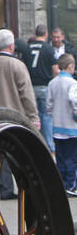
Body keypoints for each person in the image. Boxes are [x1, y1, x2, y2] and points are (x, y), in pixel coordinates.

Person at [0, 29, 40, 200]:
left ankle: (5, 189)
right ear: (12, 45)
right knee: (20, 153)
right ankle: (23, 186)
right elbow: (27, 95)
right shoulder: (17, 65)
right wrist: (34, 117)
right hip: (16, 117)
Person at [46, 53, 77, 196]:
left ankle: (61, 184)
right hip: (71, 127)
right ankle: (71, 185)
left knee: (61, 158)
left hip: (57, 126)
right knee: (72, 158)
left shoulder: (52, 83)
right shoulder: (73, 84)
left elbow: (49, 105)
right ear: (71, 66)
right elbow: (74, 100)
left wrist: (54, 114)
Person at [24, 24, 56, 153]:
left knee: (32, 117)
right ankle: (48, 145)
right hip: (44, 86)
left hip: (30, 87)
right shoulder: (49, 49)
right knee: (46, 117)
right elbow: (55, 70)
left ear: (35, 32)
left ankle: (33, 145)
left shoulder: (27, 48)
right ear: (46, 34)